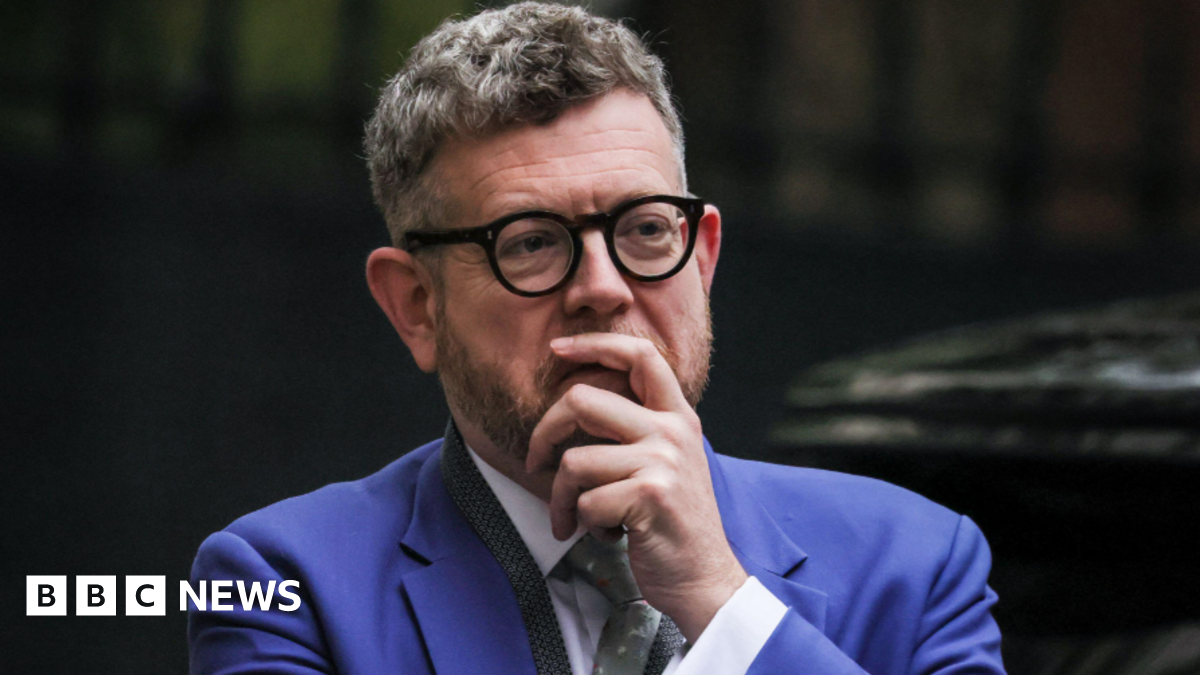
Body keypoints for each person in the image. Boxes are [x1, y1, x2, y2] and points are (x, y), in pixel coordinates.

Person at [188, 3, 1005, 674]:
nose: (604, 288)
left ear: (704, 256)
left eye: (647, 229)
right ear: (416, 306)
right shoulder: (279, 583)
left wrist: (721, 604)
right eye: (532, 242)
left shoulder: (919, 562)